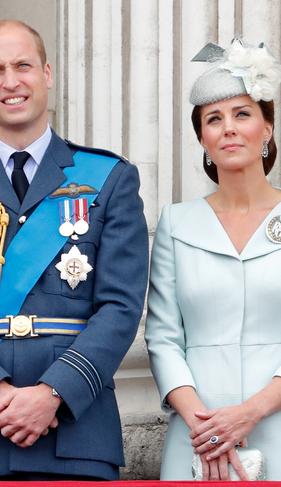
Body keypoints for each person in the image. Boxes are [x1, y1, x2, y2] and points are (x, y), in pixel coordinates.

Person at [0, 19, 148, 480]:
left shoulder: (109, 178)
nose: (10, 81)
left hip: (75, 433)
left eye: (23, 66)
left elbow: (120, 307)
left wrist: (53, 393)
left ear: (47, 74)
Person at [146, 39, 281, 481]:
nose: (228, 128)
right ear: (202, 137)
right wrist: (205, 424)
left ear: (267, 128)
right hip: (196, 434)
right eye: (213, 119)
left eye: (242, 114)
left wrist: (250, 412)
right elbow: (163, 336)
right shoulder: (176, 223)